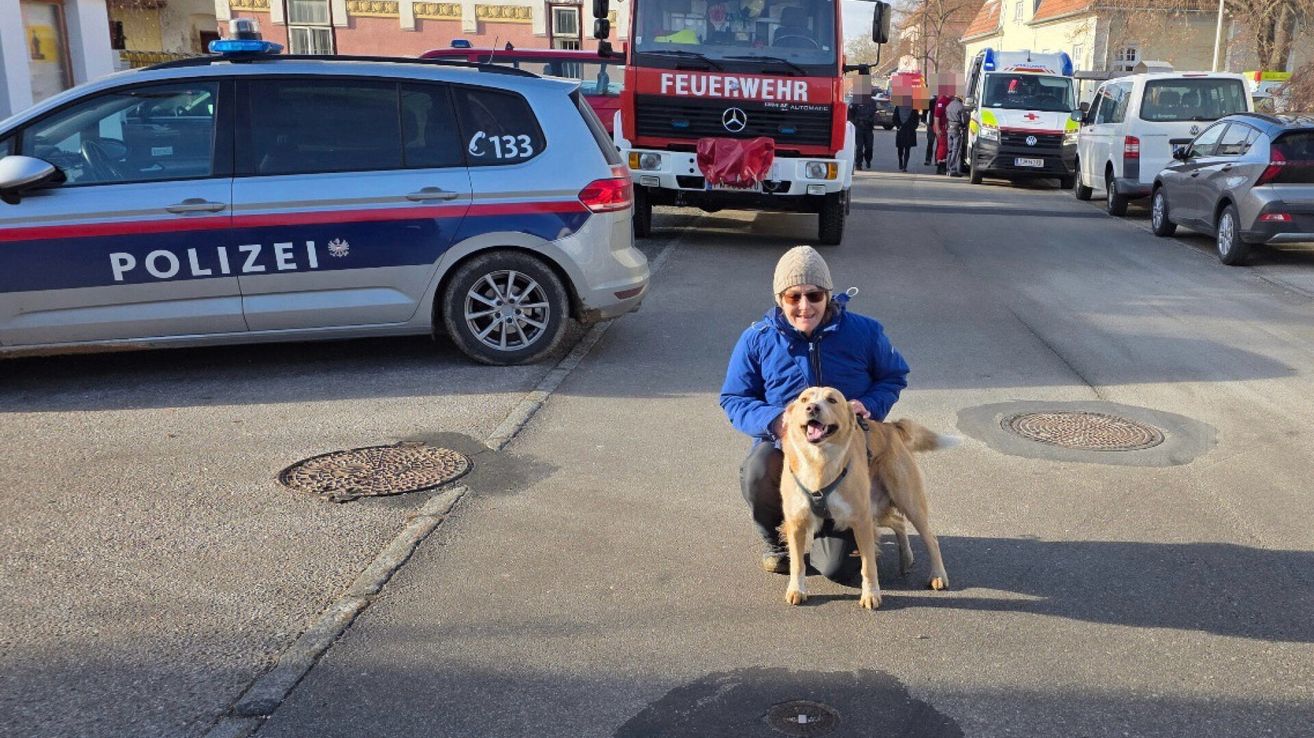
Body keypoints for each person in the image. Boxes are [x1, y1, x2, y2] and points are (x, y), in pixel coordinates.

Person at [720, 246, 910, 581]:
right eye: (794, 297)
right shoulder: (757, 339)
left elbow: (893, 376)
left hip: (846, 451)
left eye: (814, 295)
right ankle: (777, 542)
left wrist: (870, 404)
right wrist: (775, 421)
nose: (804, 307)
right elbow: (734, 397)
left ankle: (850, 527)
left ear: (828, 295)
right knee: (757, 470)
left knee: (836, 570)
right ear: (780, 298)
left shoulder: (865, 332)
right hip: (787, 448)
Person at [848, 92, 876, 170]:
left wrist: (866, 119)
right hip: (858, 127)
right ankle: (858, 164)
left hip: (868, 127)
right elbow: (850, 113)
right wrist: (855, 121)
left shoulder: (872, 102)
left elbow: (872, 112)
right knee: (859, 147)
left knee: (869, 147)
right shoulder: (855, 101)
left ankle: (868, 160)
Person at [893, 101, 918, 172]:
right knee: (900, 149)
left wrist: (914, 127)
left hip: (909, 131)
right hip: (901, 130)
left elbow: (916, 119)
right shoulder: (898, 107)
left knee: (907, 148)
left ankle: (905, 165)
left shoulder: (914, 108)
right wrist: (898, 126)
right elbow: (895, 118)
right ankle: (900, 161)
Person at [945, 93, 965, 177]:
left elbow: (946, 115)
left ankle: (947, 168)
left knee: (950, 149)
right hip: (957, 129)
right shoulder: (960, 106)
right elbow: (963, 120)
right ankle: (953, 169)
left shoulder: (949, 105)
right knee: (956, 150)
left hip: (949, 128)